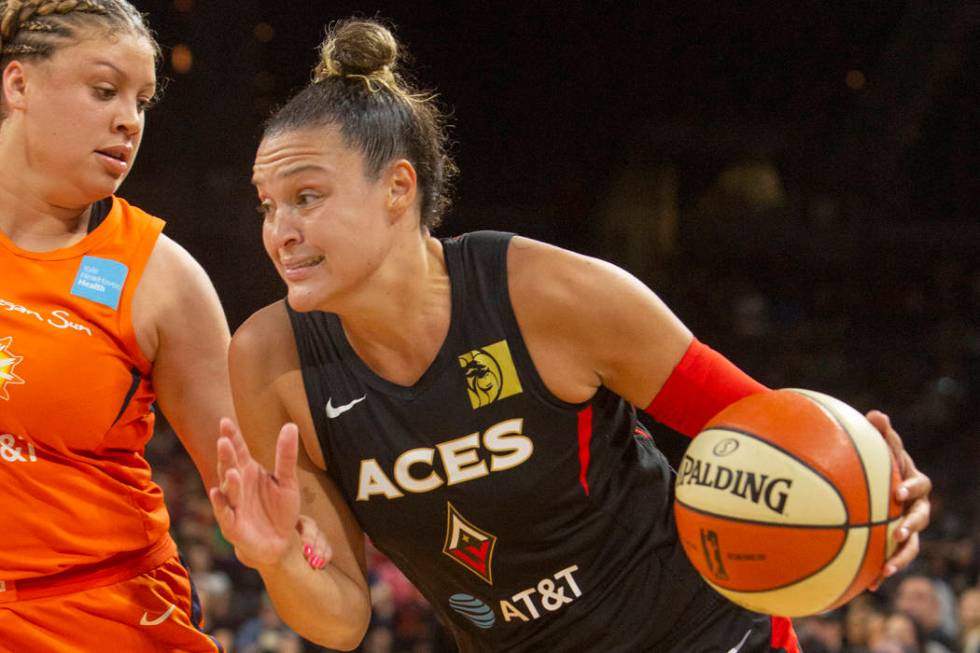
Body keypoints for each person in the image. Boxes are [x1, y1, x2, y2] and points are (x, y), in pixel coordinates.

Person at [208, 17, 933, 652]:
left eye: (307, 197)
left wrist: (869, 482)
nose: (282, 232)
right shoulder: (269, 358)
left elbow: (764, 426)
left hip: (705, 633)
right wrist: (278, 557)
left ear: (399, 187)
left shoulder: (550, 296)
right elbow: (340, 620)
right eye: (269, 205)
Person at [0, 1, 231, 649]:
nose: (129, 120)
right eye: (104, 91)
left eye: (142, 100)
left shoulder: (161, 277)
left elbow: (254, 493)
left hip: (103, 621)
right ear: (18, 84)